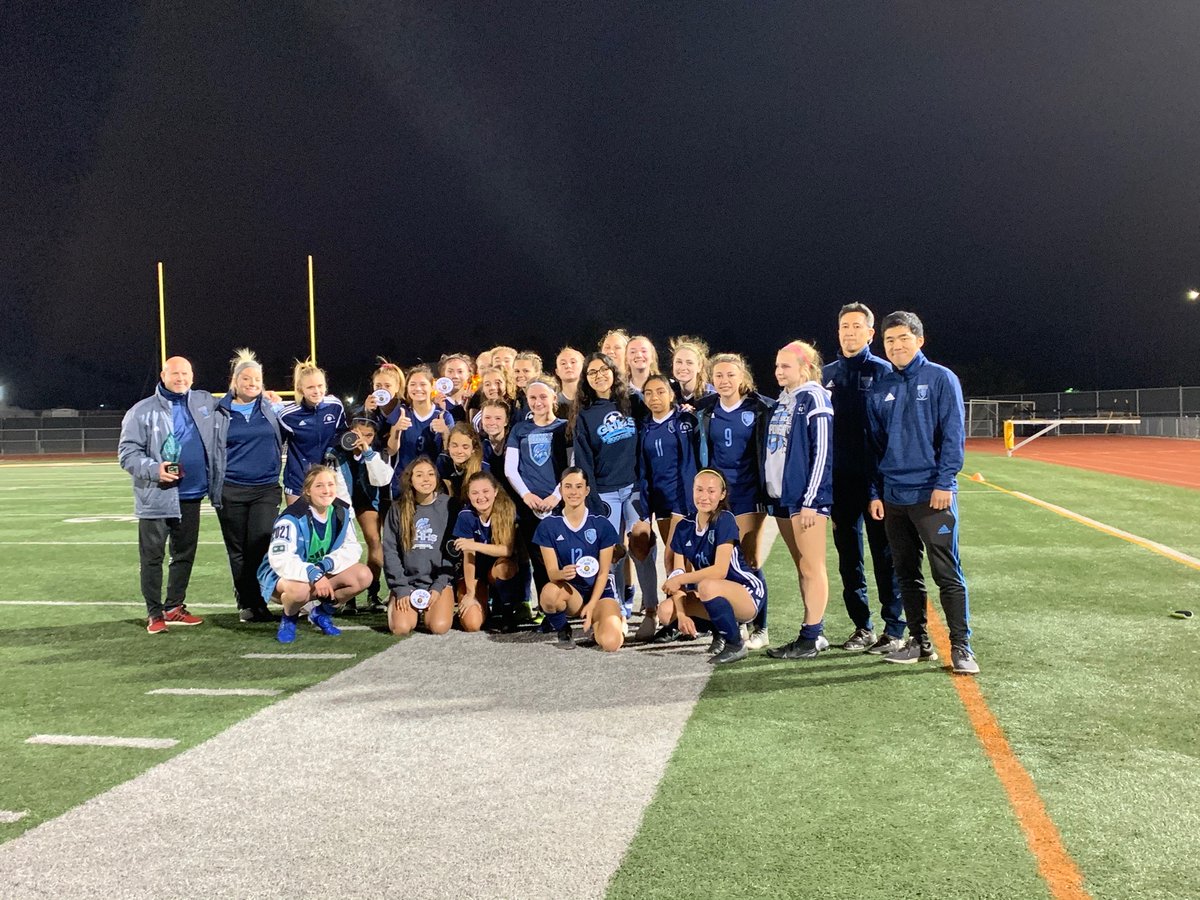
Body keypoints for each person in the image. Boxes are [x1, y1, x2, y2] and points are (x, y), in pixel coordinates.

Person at [866, 311, 979, 674]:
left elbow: (952, 436)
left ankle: (961, 647)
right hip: (894, 496)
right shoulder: (881, 386)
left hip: (932, 496)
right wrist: (876, 491)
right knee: (905, 572)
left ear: (919, 340)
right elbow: (875, 446)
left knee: (946, 572)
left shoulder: (941, 378)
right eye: (889, 341)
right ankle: (918, 641)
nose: (896, 346)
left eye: (902, 338)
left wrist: (945, 482)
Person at [823, 303, 906, 654]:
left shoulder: (885, 372)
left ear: (870, 333)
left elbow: (890, 434)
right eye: (844, 326)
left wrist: (880, 484)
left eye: (857, 326)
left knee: (885, 556)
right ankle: (863, 627)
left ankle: (895, 627)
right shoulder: (825, 374)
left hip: (876, 484)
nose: (849, 332)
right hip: (839, 482)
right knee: (848, 558)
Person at [118, 356, 223, 633]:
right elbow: (127, 454)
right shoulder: (141, 411)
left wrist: (268, 396)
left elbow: (236, 401)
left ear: (193, 375)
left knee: (184, 555)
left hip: (192, 495)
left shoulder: (203, 401)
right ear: (163, 376)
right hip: (157, 497)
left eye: (185, 373)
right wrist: (154, 469)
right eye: (175, 373)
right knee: (152, 558)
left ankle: (174, 606)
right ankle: (155, 614)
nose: (181, 378)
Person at [692, 352, 774, 648]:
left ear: (743, 378)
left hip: (749, 493)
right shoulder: (706, 410)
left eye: (730, 375)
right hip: (716, 498)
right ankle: (724, 630)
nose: (724, 381)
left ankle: (761, 628)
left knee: (748, 559)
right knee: (719, 561)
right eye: (719, 376)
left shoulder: (761, 407)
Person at [762, 340, 834, 661]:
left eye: (786, 366)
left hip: (805, 499)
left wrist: (812, 499)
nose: (778, 371)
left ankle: (812, 635)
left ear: (805, 367)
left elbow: (822, 452)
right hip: (783, 496)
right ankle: (812, 633)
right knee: (802, 566)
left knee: (812, 566)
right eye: (777, 365)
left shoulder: (815, 396)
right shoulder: (785, 399)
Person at [571, 351, 655, 618]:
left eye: (603, 370)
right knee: (612, 552)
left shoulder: (633, 402)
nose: (599, 376)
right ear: (586, 379)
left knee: (642, 545)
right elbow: (583, 460)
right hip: (605, 492)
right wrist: (591, 497)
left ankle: (651, 607)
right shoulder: (584, 415)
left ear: (613, 371)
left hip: (633, 488)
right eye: (592, 372)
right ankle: (617, 608)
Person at [657, 469, 768, 665]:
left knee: (707, 585)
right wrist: (682, 615)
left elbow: (720, 571)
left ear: (722, 495)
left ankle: (735, 644)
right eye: (699, 490)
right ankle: (720, 629)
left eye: (711, 491)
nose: (704, 497)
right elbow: (678, 573)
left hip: (746, 592)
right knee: (666, 612)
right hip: (713, 592)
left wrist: (680, 580)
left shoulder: (725, 519)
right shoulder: (684, 526)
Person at [258, 464, 373, 643]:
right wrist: (313, 573)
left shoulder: (341, 511)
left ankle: (321, 613)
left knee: (363, 576)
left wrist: (324, 566)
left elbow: (352, 547)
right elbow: (280, 559)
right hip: (282, 576)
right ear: (308, 491)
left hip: (319, 571)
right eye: (319, 486)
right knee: (300, 590)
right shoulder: (292, 517)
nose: (326, 490)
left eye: (330, 485)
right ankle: (289, 619)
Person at [214, 349, 283, 623]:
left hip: (265, 488)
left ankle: (260, 601)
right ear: (234, 380)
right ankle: (246, 602)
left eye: (257, 379)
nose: (252, 383)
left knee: (261, 544)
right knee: (238, 550)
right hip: (231, 488)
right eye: (246, 379)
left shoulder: (271, 408)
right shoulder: (218, 410)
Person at [533, 468, 623, 650]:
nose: (573, 492)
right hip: (572, 592)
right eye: (568, 486)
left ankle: (607, 622)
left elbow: (604, 572)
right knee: (549, 594)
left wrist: (591, 604)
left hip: (600, 592)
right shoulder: (548, 526)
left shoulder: (601, 524)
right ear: (560, 491)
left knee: (610, 644)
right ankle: (563, 628)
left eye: (578, 486)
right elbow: (551, 574)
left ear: (587, 490)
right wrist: (562, 572)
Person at [635, 374, 697, 640]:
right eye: (648, 393)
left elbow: (690, 464)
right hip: (660, 504)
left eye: (660, 391)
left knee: (676, 558)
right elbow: (644, 471)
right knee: (674, 561)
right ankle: (679, 617)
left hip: (682, 502)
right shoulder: (645, 427)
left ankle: (687, 617)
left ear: (672, 394)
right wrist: (645, 510)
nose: (654, 398)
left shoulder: (684, 421)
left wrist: (689, 504)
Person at [506, 376, 569, 598]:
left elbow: (572, 467)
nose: (538, 401)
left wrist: (556, 496)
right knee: (539, 556)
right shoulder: (519, 430)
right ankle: (547, 606)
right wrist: (526, 495)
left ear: (554, 397)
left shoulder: (565, 428)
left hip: (560, 503)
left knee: (564, 555)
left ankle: (571, 603)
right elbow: (510, 469)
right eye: (532, 397)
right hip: (530, 506)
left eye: (543, 396)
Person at [327, 410, 395, 612]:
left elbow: (382, 479)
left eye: (369, 435)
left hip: (367, 497)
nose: (363, 439)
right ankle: (349, 595)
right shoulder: (336, 450)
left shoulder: (379, 451)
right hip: (342, 499)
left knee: (374, 540)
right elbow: (332, 482)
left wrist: (367, 452)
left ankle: (373, 593)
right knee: (344, 543)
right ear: (351, 430)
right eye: (359, 433)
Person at [382, 458, 456, 636]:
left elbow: (452, 552)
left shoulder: (448, 505)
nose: (426, 479)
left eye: (431, 474)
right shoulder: (398, 508)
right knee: (401, 628)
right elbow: (390, 550)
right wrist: (401, 588)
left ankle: (438, 607)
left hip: (437, 582)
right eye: (420, 475)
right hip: (408, 583)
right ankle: (403, 606)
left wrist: (438, 586)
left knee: (439, 627)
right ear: (410, 480)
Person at [452, 471, 522, 632]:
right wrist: (470, 593)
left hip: (496, 569)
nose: (481, 497)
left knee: (505, 568)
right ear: (468, 495)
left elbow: (506, 549)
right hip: (475, 573)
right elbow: (469, 556)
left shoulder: (506, 510)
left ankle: (507, 612)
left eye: (485, 491)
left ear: (495, 492)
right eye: (474, 493)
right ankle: (484, 609)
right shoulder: (466, 516)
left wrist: (474, 545)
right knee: (472, 624)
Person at [279, 361, 346, 504]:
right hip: (298, 482)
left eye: (320, 386)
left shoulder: (335, 406)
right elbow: (276, 445)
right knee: (301, 524)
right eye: (310, 387)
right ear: (300, 388)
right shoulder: (287, 415)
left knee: (327, 525)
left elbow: (341, 434)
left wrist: (333, 449)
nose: (316, 391)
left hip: (327, 481)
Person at [387, 365, 454, 483]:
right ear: (407, 387)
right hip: (404, 481)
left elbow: (452, 453)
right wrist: (397, 430)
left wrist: (445, 433)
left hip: (432, 482)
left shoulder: (444, 416)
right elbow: (391, 451)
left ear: (432, 386)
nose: (418, 389)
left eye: (423, 384)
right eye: (413, 384)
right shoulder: (401, 412)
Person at [437, 422, 487, 506]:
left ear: (473, 449)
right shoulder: (443, 461)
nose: (459, 451)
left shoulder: (482, 468)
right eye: (454, 446)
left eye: (465, 447)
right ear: (448, 446)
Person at [669, 335, 713, 406]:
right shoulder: (667, 392)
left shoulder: (711, 396)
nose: (683, 367)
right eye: (679, 362)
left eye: (689, 363)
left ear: (699, 366)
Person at [555, 346, 585, 413]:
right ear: (557, 372)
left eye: (573, 362)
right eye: (563, 363)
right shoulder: (553, 403)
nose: (568, 366)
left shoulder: (593, 399)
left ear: (583, 367)